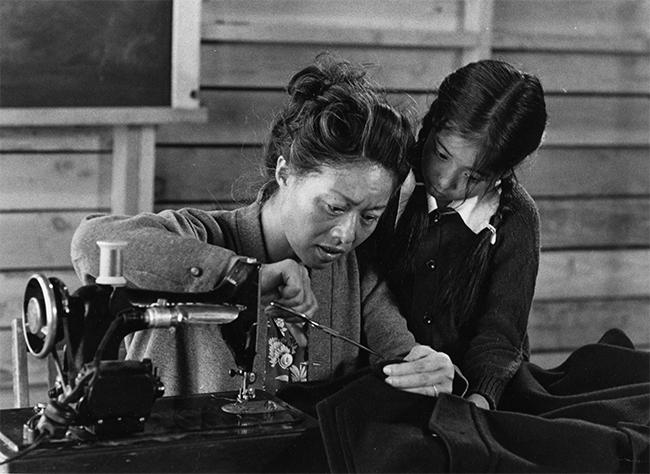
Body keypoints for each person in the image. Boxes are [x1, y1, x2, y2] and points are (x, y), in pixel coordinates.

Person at [70, 53, 455, 399]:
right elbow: (90, 242)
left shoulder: (359, 278)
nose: (347, 235)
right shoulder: (202, 235)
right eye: (334, 207)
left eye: (369, 216)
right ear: (285, 173)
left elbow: (403, 358)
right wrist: (239, 276)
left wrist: (428, 369)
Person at [362, 59, 547, 410]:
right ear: (431, 124)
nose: (445, 181)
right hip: (385, 377)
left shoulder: (516, 218)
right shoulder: (388, 181)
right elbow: (364, 287)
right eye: (441, 154)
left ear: (502, 172)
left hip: (475, 393)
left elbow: (500, 335)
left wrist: (476, 403)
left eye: (473, 176)